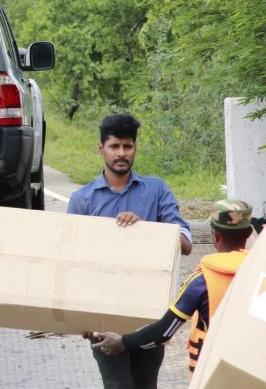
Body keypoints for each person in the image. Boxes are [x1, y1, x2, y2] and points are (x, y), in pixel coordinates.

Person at [67, 113, 193, 388]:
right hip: (102, 315)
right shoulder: (82, 199)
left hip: (149, 318)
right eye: (114, 146)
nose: (121, 153)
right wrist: (80, 318)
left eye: (127, 146)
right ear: (101, 149)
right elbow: (72, 262)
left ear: (135, 148)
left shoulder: (157, 189)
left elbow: (185, 243)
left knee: (146, 384)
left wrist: (144, 229)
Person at [90, 199, 254, 380]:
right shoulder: (259, 274)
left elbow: (164, 331)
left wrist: (123, 342)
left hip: (215, 375)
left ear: (214, 236)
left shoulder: (200, 282)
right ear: (248, 234)